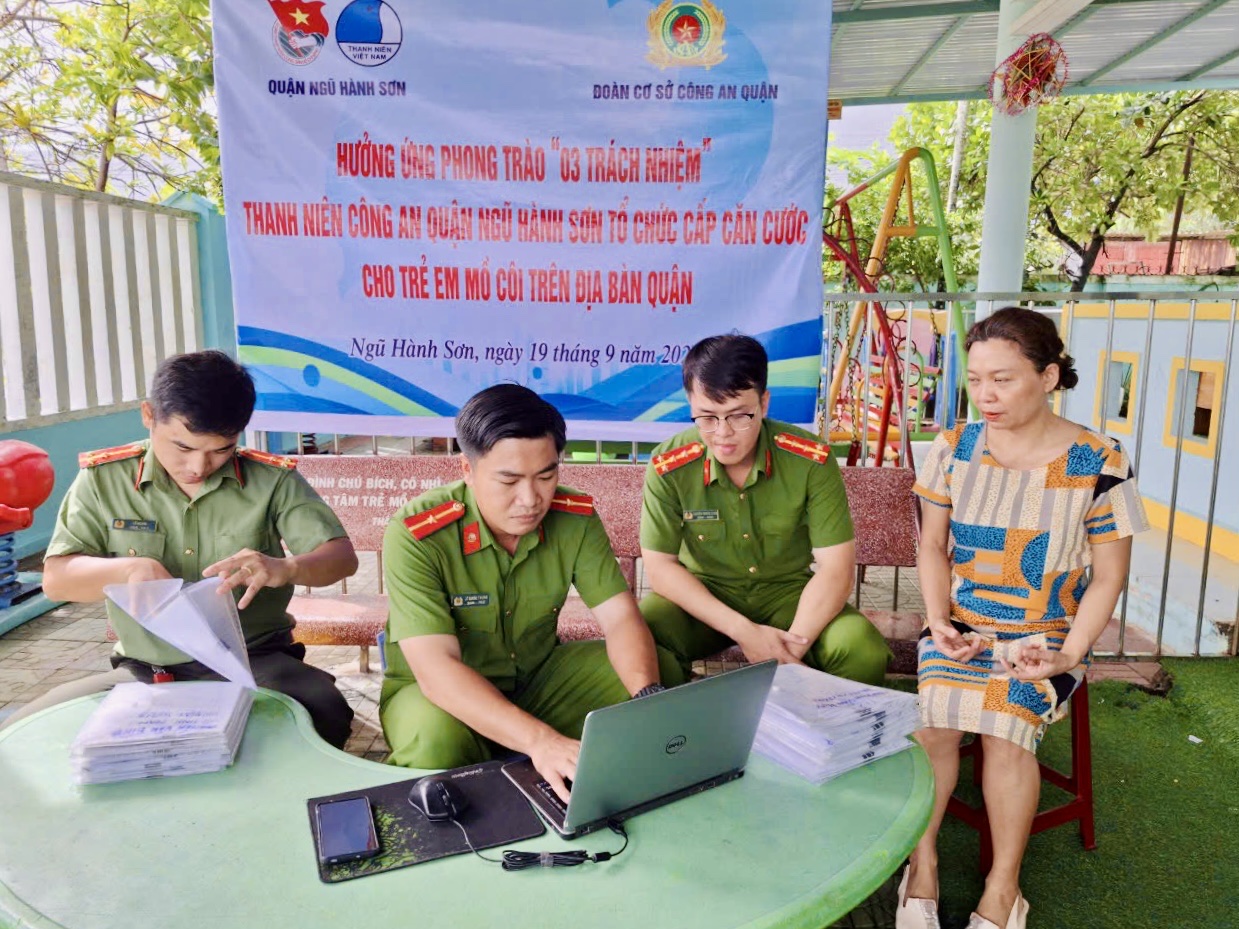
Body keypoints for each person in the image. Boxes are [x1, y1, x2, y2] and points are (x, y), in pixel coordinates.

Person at [898, 307, 1149, 929]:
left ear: (1050, 375)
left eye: (1003, 378)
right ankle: (922, 864)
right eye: (977, 379)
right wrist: (938, 620)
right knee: (933, 725)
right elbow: (931, 548)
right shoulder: (954, 447)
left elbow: (1109, 576)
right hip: (958, 626)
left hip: (1049, 637)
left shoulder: (1101, 460)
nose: (985, 394)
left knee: (1006, 731)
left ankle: (1003, 888)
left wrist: (1068, 654)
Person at [5, 350, 359, 748]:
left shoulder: (271, 481)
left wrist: (285, 567)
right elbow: (56, 580)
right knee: (26, 734)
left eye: (221, 450)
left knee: (322, 710)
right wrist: (127, 570)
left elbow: (341, 558)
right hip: (144, 670)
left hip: (254, 662)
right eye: (183, 447)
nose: (199, 466)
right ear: (148, 416)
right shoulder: (104, 480)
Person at [380, 384, 683, 800]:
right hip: (442, 697)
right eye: (509, 480)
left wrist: (647, 700)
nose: (531, 499)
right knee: (435, 741)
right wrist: (541, 740)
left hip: (538, 681)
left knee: (656, 672)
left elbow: (620, 619)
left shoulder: (573, 517)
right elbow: (436, 671)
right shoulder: (417, 533)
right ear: (467, 470)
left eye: (546, 475)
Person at [639, 333, 890, 684]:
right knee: (642, 633)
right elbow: (661, 568)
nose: (723, 434)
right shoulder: (669, 465)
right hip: (705, 598)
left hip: (788, 596)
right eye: (707, 418)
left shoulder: (809, 460)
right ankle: (684, 732)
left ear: (765, 403)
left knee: (861, 648)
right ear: (691, 404)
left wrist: (789, 651)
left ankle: (822, 736)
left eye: (740, 416)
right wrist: (746, 632)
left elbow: (836, 569)